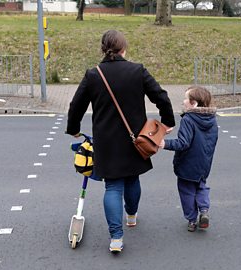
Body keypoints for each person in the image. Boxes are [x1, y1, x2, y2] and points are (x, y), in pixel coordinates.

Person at [66, 30, 175, 253]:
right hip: (135, 139)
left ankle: (116, 238)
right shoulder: (137, 70)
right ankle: (132, 216)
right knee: (132, 179)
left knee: (113, 186)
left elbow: (76, 105)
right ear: (124, 49)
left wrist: (74, 130)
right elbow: (161, 96)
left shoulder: (93, 74)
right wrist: (167, 121)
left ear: (102, 49)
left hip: (106, 141)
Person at [160, 86, 218, 232]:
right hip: (204, 162)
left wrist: (164, 143)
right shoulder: (212, 120)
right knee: (201, 186)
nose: (183, 102)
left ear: (194, 103)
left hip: (187, 164)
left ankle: (192, 220)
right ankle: (204, 210)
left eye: (186, 99)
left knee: (187, 191)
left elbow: (183, 143)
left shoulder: (188, 119)